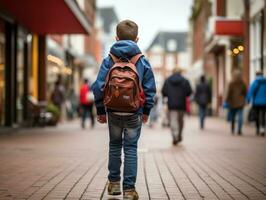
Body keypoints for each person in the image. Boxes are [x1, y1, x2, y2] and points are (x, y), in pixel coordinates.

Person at [91, 20, 156, 199]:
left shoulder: (109, 59)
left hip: (112, 110)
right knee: (131, 149)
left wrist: (100, 111)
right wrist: (146, 111)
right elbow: (150, 90)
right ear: (137, 38)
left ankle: (113, 185)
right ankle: (129, 190)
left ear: (116, 38)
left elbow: (98, 87)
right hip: (134, 111)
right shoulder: (141, 61)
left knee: (114, 146)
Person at [162, 67, 192, 145]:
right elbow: (189, 92)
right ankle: (179, 135)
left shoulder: (168, 80)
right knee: (180, 121)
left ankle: (175, 135)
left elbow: (164, 92)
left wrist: (169, 95)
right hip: (182, 104)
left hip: (172, 104)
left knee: (173, 120)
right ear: (180, 72)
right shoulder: (185, 80)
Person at [226, 70, 246, 135]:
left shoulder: (231, 83)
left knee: (233, 116)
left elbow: (229, 93)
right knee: (240, 116)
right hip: (240, 102)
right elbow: (245, 92)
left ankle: (232, 128)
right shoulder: (243, 83)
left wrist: (227, 100)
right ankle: (239, 130)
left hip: (232, 102)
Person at [247, 71, 266, 136]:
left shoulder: (255, 82)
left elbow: (250, 92)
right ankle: (263, 128)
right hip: (264, 103)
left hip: (256, 102)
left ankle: (258, 129)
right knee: (263, 115)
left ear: (256, 75)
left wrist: (248, 100)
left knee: (257, 115)